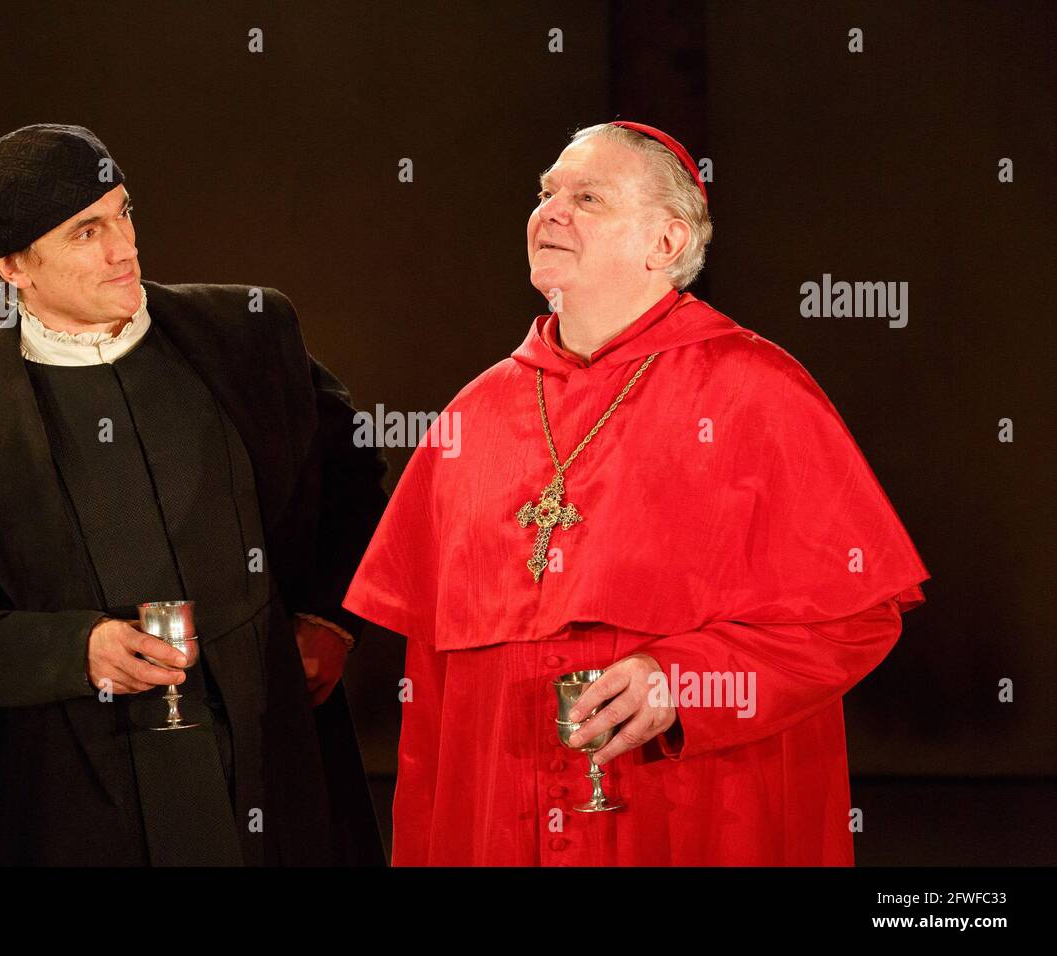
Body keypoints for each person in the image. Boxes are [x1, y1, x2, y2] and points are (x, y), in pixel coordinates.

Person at [342, 120, 930, 866]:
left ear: (667, 244)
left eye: (588, 197)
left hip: (694, 815)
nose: (551, 211)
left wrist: (686, 683)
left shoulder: (758, 392)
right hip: (502, 829)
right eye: (547, 192)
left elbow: (856, 618)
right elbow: (432, 697)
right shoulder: (473, 416)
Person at [0, 123, 388, 866]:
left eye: (125, 213)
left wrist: (332, 621)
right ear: (15, 266)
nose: (124, 248)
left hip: (272, 765)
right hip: (80, 793)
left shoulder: (250, 336)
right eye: (87, 232)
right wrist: (79, 649)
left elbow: (351, 482)